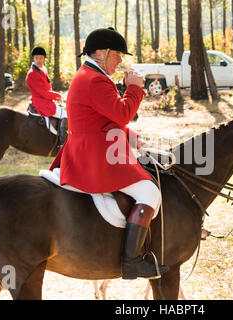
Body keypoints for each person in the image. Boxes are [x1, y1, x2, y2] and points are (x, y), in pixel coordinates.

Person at [49, 27, 169, 280]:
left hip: (94, 147)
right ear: (101, 53)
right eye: (117, 55)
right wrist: (135, 89)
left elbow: (106, 121)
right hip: (95, 156)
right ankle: (132, 262)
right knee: (150, 192)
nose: (120, 61)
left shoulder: (89, 75)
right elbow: (123, 113)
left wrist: (136, 140)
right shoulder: (95, 80)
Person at [26, 46, 68, 146]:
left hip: (47, 100)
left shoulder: (41, 70)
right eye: (37, 58)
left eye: (41, 58)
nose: (39, 60)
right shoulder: (32, 74)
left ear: (44, 59)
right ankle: (63, 144)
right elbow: (43, 92)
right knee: (66, 115)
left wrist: (56, 97)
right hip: (41, 102)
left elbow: (48, 89)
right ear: (33, 59)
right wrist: (59, 96)